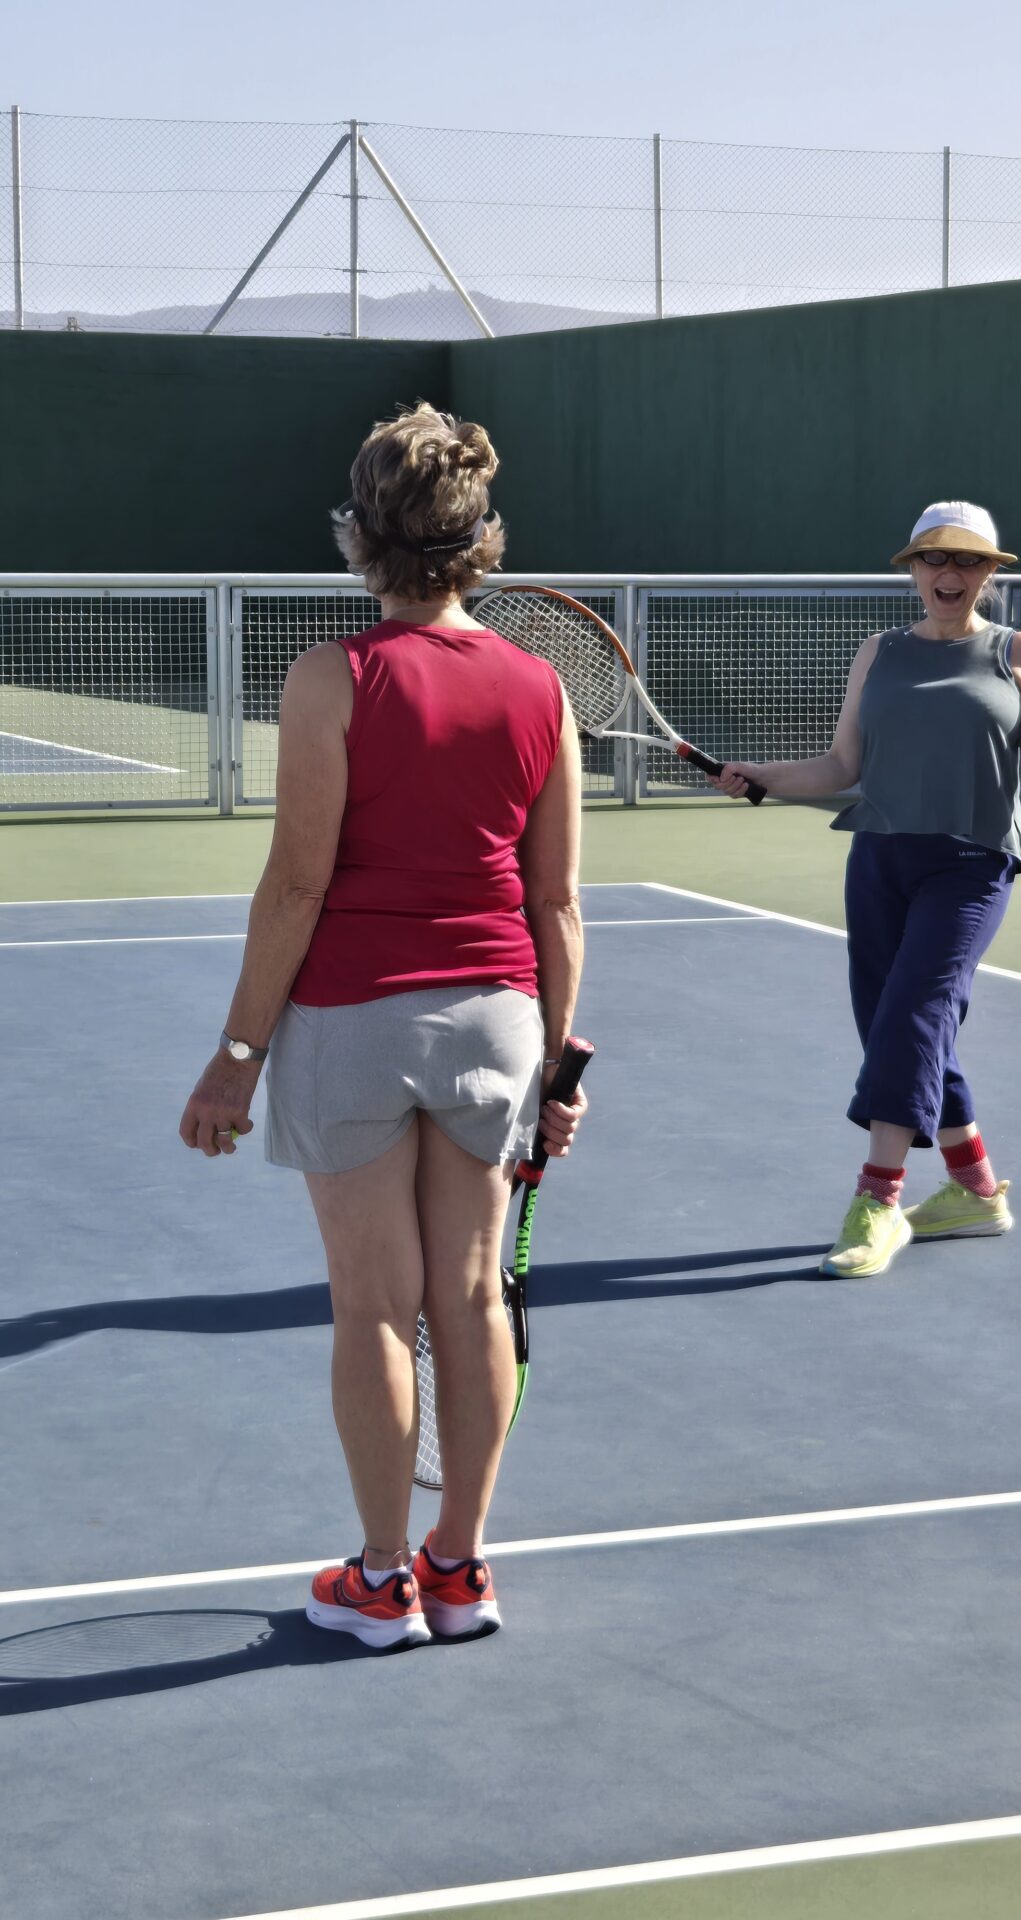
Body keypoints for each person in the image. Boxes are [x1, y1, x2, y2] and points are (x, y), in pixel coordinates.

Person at [179, 403, 587, 1649]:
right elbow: (555, 901)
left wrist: (237, 1055)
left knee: (374, 1307)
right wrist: (559, 1068)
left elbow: (298, 884)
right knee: (469, 1301)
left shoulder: (331, 677)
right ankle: (461, 1570)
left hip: (353, 1026)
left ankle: (381, 1578)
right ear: (480, 537)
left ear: (362, 534)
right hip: (498, 1027)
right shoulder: (538, 687)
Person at [712, 501, 1021, 1278]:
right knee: (896, 1026)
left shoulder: (1017, 651)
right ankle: (976, 1191)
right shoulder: (877, 653)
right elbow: (839, 769)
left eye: (967, 562)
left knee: (916, 1012)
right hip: (880, 859)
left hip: (971, 864)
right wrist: (762, 777)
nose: (948, 574)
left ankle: (876, 1202)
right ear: (913, 570)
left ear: (990, 573)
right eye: (933, 560)